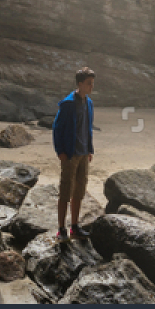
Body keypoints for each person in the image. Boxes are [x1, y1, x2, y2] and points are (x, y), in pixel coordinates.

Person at [52, 67, 96, 241]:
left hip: (84, 154)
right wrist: (60, 151)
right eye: (89, 83)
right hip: (70, 154)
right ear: (80, 84)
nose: (92, 87)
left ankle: (75, 227)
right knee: (65, 192)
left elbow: (88, 128)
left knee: (79, 192)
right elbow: (57, 128)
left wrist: (90, 150)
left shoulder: (89, 103)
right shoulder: (68, 104)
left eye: (92, 83)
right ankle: (61, 229)